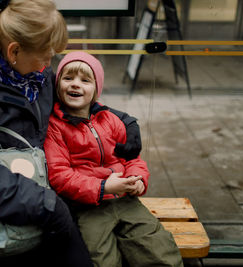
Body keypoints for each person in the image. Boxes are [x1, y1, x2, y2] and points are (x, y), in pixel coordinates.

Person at [0, 0, 141, 266]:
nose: (50, 63)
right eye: (47, 55)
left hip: (36, 196)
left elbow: (73, 101)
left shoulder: (33, 73)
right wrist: (48, 206)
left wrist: (125, 121)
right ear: (14, 50)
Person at [44, 51, 184, 267]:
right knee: (99, 258)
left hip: (125, 200)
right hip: (88, 207)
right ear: (58, 83)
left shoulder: (110, 120)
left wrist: (137, 178)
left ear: (96, 89)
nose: (75, 85)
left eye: (85, 80)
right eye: (68, 78)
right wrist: (102, 187)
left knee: (158, 248)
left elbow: (131, 158)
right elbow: (59, 175)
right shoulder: (56, 127)